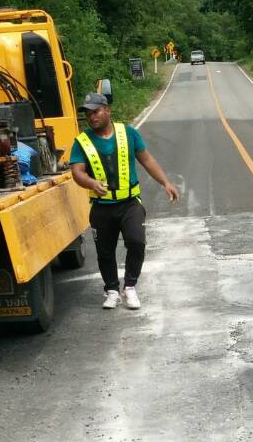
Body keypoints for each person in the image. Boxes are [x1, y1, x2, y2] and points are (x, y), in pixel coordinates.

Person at [67, 93, 179, 311]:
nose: (92, 117)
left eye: (96, 111)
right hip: (101, 208)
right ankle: (111, 291)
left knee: (136, 242)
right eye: (88, 114)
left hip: (130, 203)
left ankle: (130, 287)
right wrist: (91, 183)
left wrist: (165, 182)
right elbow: (77, 171)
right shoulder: (82, 141)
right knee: (105, 252)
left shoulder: (128, 133)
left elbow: (147, 159)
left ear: (107, 110)